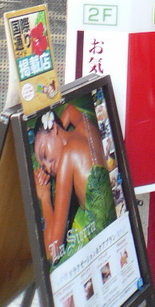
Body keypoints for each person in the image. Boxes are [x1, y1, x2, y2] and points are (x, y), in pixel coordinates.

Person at [32, 103, 117, 265]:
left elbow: (53, 251)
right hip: (117, 223)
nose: (47, 167)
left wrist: (44, 196)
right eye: (43, 165)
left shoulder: (67, 157)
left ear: (54, 129)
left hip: (102, 243)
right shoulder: (86, 128)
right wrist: (59, 133)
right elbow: (70, 110)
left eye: (45, 154)